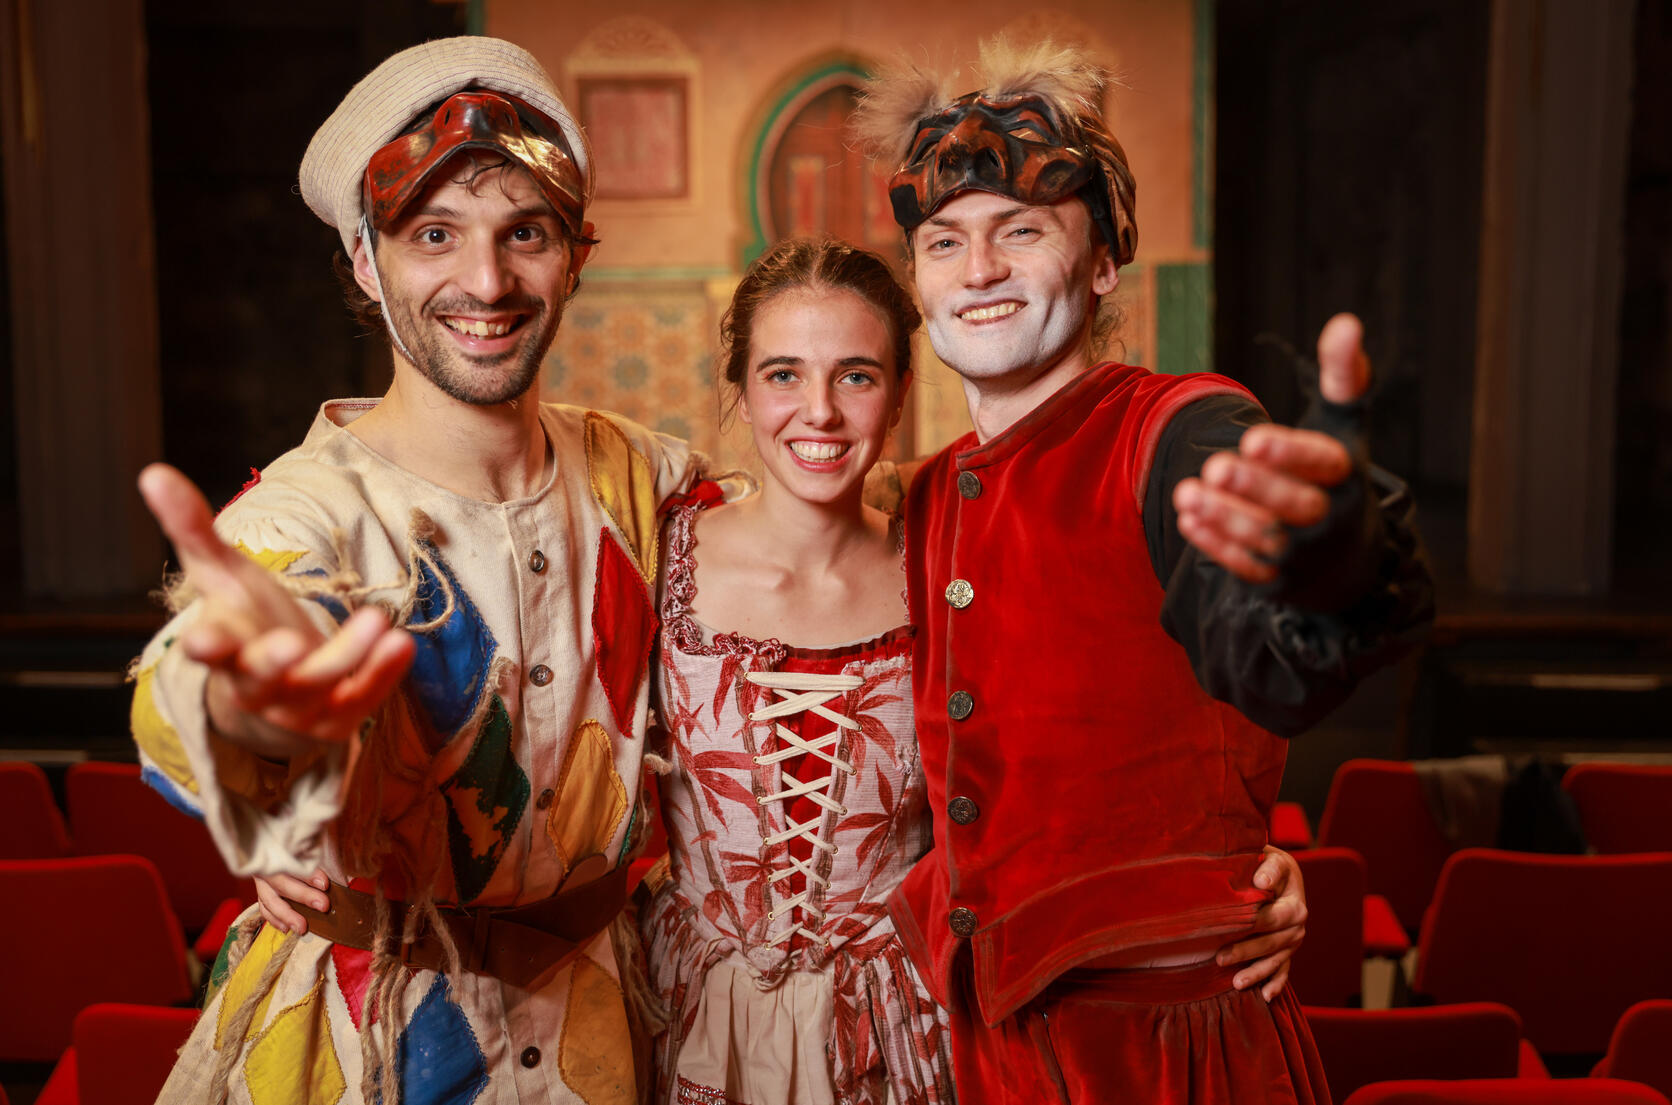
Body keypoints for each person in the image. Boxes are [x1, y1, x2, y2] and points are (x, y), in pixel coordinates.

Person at [853, 38, 1434, 1104]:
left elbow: (1264, 652)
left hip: (1172, 1050)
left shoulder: (1176, 430)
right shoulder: (923, 495)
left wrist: (1326, 557)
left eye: (1020, 231)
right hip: (991, 1046)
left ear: (1103, 263)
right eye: (944, 243)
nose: (978, 271)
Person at [130, 37, 700, 1104]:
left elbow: (821, 536)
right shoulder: (301, 515)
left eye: (524, 233)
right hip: (359, 1050)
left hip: (605, 1034)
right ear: (364, 259)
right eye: (434, 234)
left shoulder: (644, 476)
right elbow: (210, 691)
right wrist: (254, 713)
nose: (486, 281)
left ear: (574, 254)